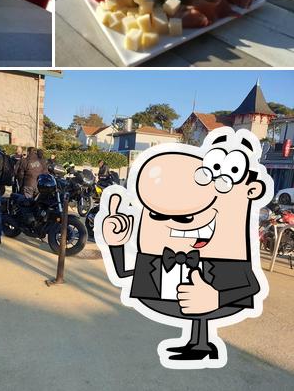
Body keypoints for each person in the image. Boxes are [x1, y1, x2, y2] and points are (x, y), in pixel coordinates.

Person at [100, 128, 270, 365]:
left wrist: (217, 299)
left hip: (210, 300)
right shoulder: (155, 257)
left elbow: (250, 286)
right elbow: (123, 274)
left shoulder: (227, 261)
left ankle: (201, 344)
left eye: (186, 218)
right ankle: (197, 343)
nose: (176, 222)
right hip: (165, 302)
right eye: (157, 216)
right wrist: (115, 244)